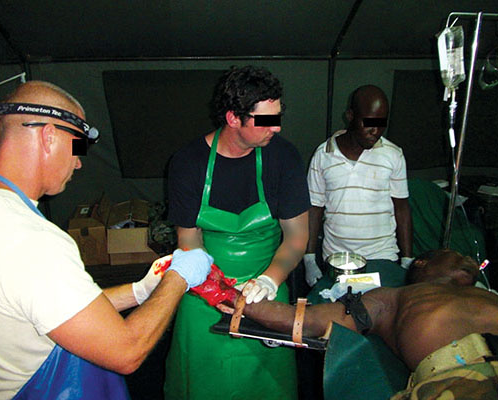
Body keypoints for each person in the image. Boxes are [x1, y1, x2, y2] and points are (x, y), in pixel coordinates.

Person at [0, 81, 213, 400]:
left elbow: (58, 311)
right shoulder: (31, 239)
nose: (79, 163)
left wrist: (140, 291)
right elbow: (127, 351)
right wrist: (178, 277)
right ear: (49, 136)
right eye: (78, 147)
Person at [165, 65, 310, 399]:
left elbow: (297, 236)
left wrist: (269, 280)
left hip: (266, 293)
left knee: (268, 384)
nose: (276, 127)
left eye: (278, 116)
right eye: (265, 121)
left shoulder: (283, 156)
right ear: (233, 118)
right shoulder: (188, 163)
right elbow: (189, 244)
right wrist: (220, 295)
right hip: (203, 291)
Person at [216, 249, 498, 398]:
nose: (468, 259)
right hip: (466, 378)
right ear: (423, 263)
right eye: (456, 255)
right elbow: (306, 321)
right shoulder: (391, 299)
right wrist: (231, 294)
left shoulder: (487, 294)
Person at [304, 85, 413, 287]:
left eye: (381, 124)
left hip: (382, 256)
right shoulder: (323, 155)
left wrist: (407, 258)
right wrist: (309, 258)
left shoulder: (393, 154)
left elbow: (402, 208)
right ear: (350, 116)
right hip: (337, 258)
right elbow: (314, 207)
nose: (376, 131)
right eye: (369, 123)